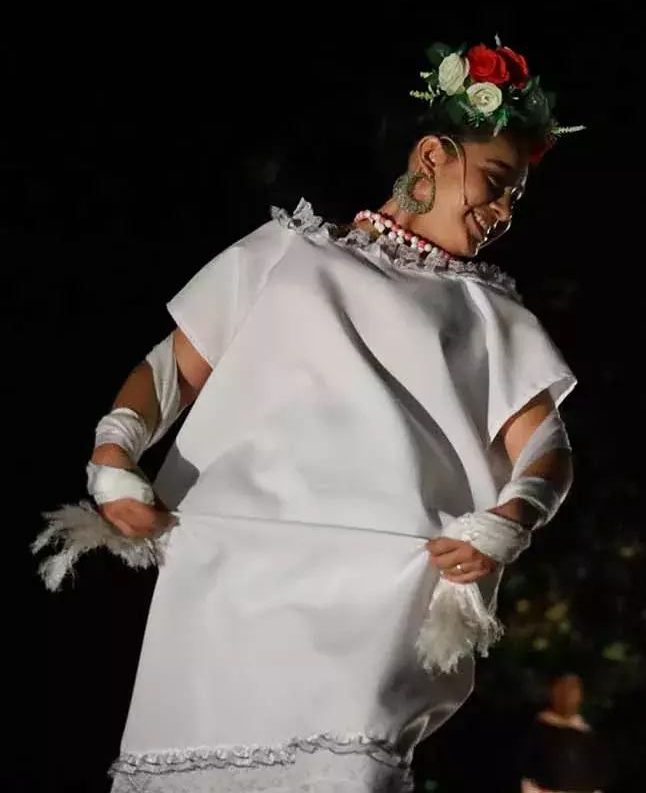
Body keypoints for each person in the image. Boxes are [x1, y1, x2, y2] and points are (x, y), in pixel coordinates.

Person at [35, 40, 583, 792]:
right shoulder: (286, 251)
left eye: (514, 199)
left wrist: (512, 517)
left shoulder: (489, 309)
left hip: (383, 586)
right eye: (493, 183)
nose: (501, 213)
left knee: (347, 768)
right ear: (432, 155)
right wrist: (113, 451)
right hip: (236, 573)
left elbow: (548, 447)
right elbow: (170, 369)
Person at [520, 673, 612, 793]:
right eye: (565, 690)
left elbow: (598, 777)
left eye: (574, 691)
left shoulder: (587, 735)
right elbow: (524, 773)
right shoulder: (537, 729)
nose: (569, 696)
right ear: (554, 693)